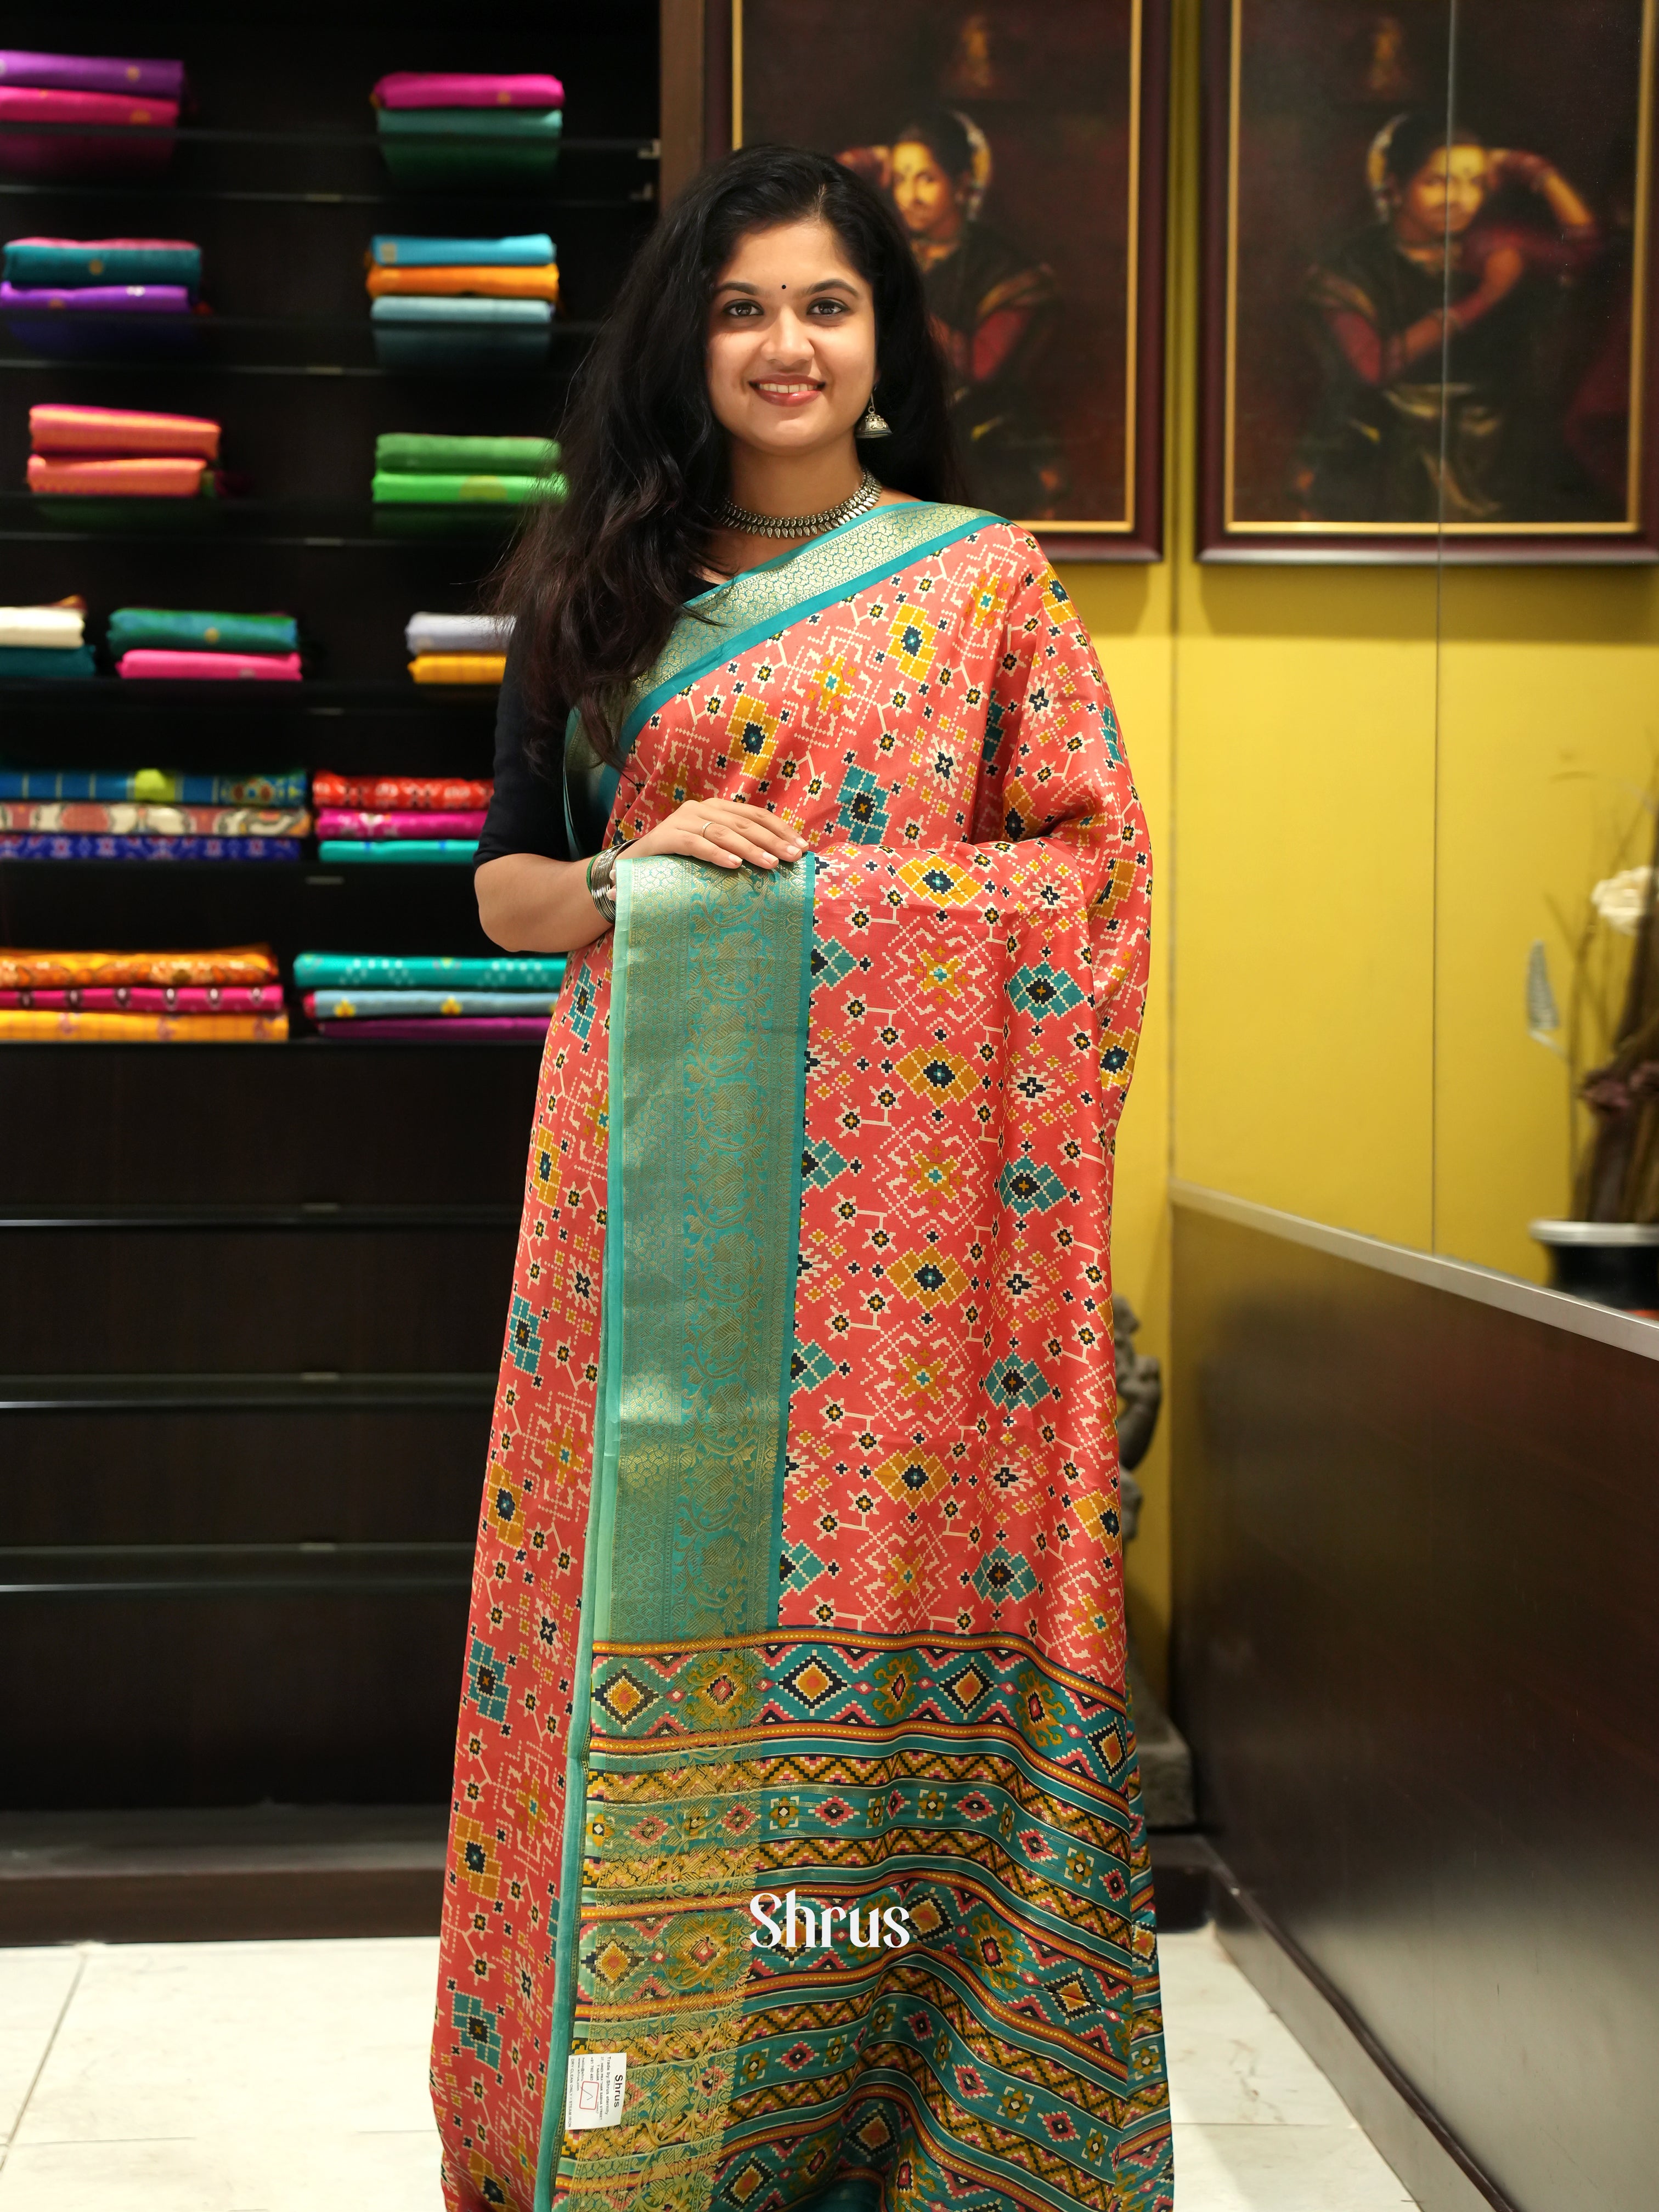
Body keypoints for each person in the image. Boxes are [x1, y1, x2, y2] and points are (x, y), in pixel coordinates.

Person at [431, 143, 1168, 2212]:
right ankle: (636, 2132)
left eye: (824, 307)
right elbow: (503, 897)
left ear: (881, 343)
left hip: (913, 1268)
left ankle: (907, 2105)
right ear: (689, 340)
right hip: (644, 1214)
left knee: (890, 1603)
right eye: (743, 307)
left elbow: (1092, 886)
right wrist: (638, 871)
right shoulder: (599, 585)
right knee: (620, 1603)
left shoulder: (983, 585)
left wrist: (829, 903)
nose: (784, 345)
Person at [1296, 111, 1604, 523]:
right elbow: (1374, 366)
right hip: (1395, 447)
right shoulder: (1350, 267)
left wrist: (1534, 170)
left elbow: (1585, 250)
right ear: (1394, 188)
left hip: (1496, 447)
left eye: (1474, 183)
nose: (1460, 199)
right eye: (1438, 182)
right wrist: (1485, 297)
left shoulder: (1488, 245)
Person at [845, 111, 1062, 517]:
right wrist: (874, 158)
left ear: (961, 184)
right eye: (901, 179)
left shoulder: (1006, 270)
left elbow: (981, 367)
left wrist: (899, 304)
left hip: (982, 438)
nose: (909, 196)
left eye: (926, 179)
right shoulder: (897, 255)